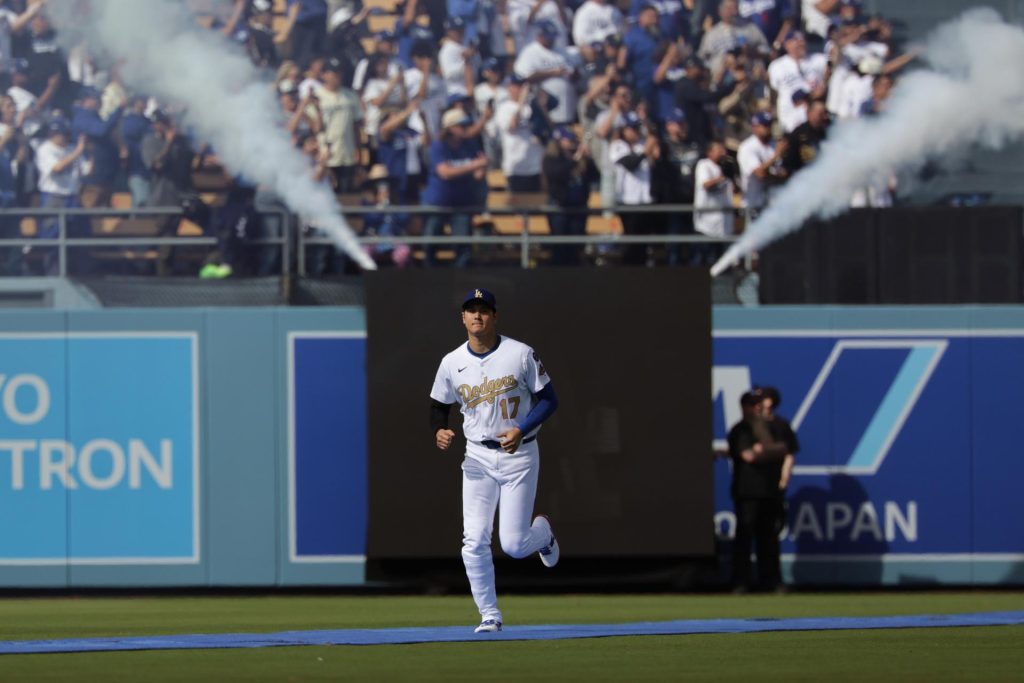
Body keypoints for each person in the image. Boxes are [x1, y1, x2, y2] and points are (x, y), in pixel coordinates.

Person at [430, 287, 560, 633]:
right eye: (471, 310)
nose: (477, 315)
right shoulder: (451, 362)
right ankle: (489, 614)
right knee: (473, 539)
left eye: (484, 310)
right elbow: (439, 406)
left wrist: (521, 428)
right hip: (477, 456)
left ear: (494, 316)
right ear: (462, 318)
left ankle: (543, 534)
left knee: (515, 546)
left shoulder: (520, 354)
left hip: (520, 454)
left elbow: (549, 400)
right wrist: (439, 430)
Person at [727, 390, 788, 593]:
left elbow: (784, 449)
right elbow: (749, 456)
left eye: (760, 404)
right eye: (754, 405)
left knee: (769, 538)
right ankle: (741, 582)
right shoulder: (740, 430)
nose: (758, 408)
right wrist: (768, 451)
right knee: (744, 537)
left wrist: (763, 450)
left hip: (769, 491)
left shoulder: (773, 427)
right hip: (747, 492)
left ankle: (771, 581)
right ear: (745, 407)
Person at [420, 108, 488, 267]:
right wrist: (475, 165)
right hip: (437, 203)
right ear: (450, 128)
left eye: (466, 125)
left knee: (463, 247)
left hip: (462, 203)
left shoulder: (470, 145)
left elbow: (477, 175)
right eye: (461, 125)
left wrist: (482, 167)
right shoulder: (438, 146)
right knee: (430, 244)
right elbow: (445, 173)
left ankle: (458, 277)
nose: (466, 128)